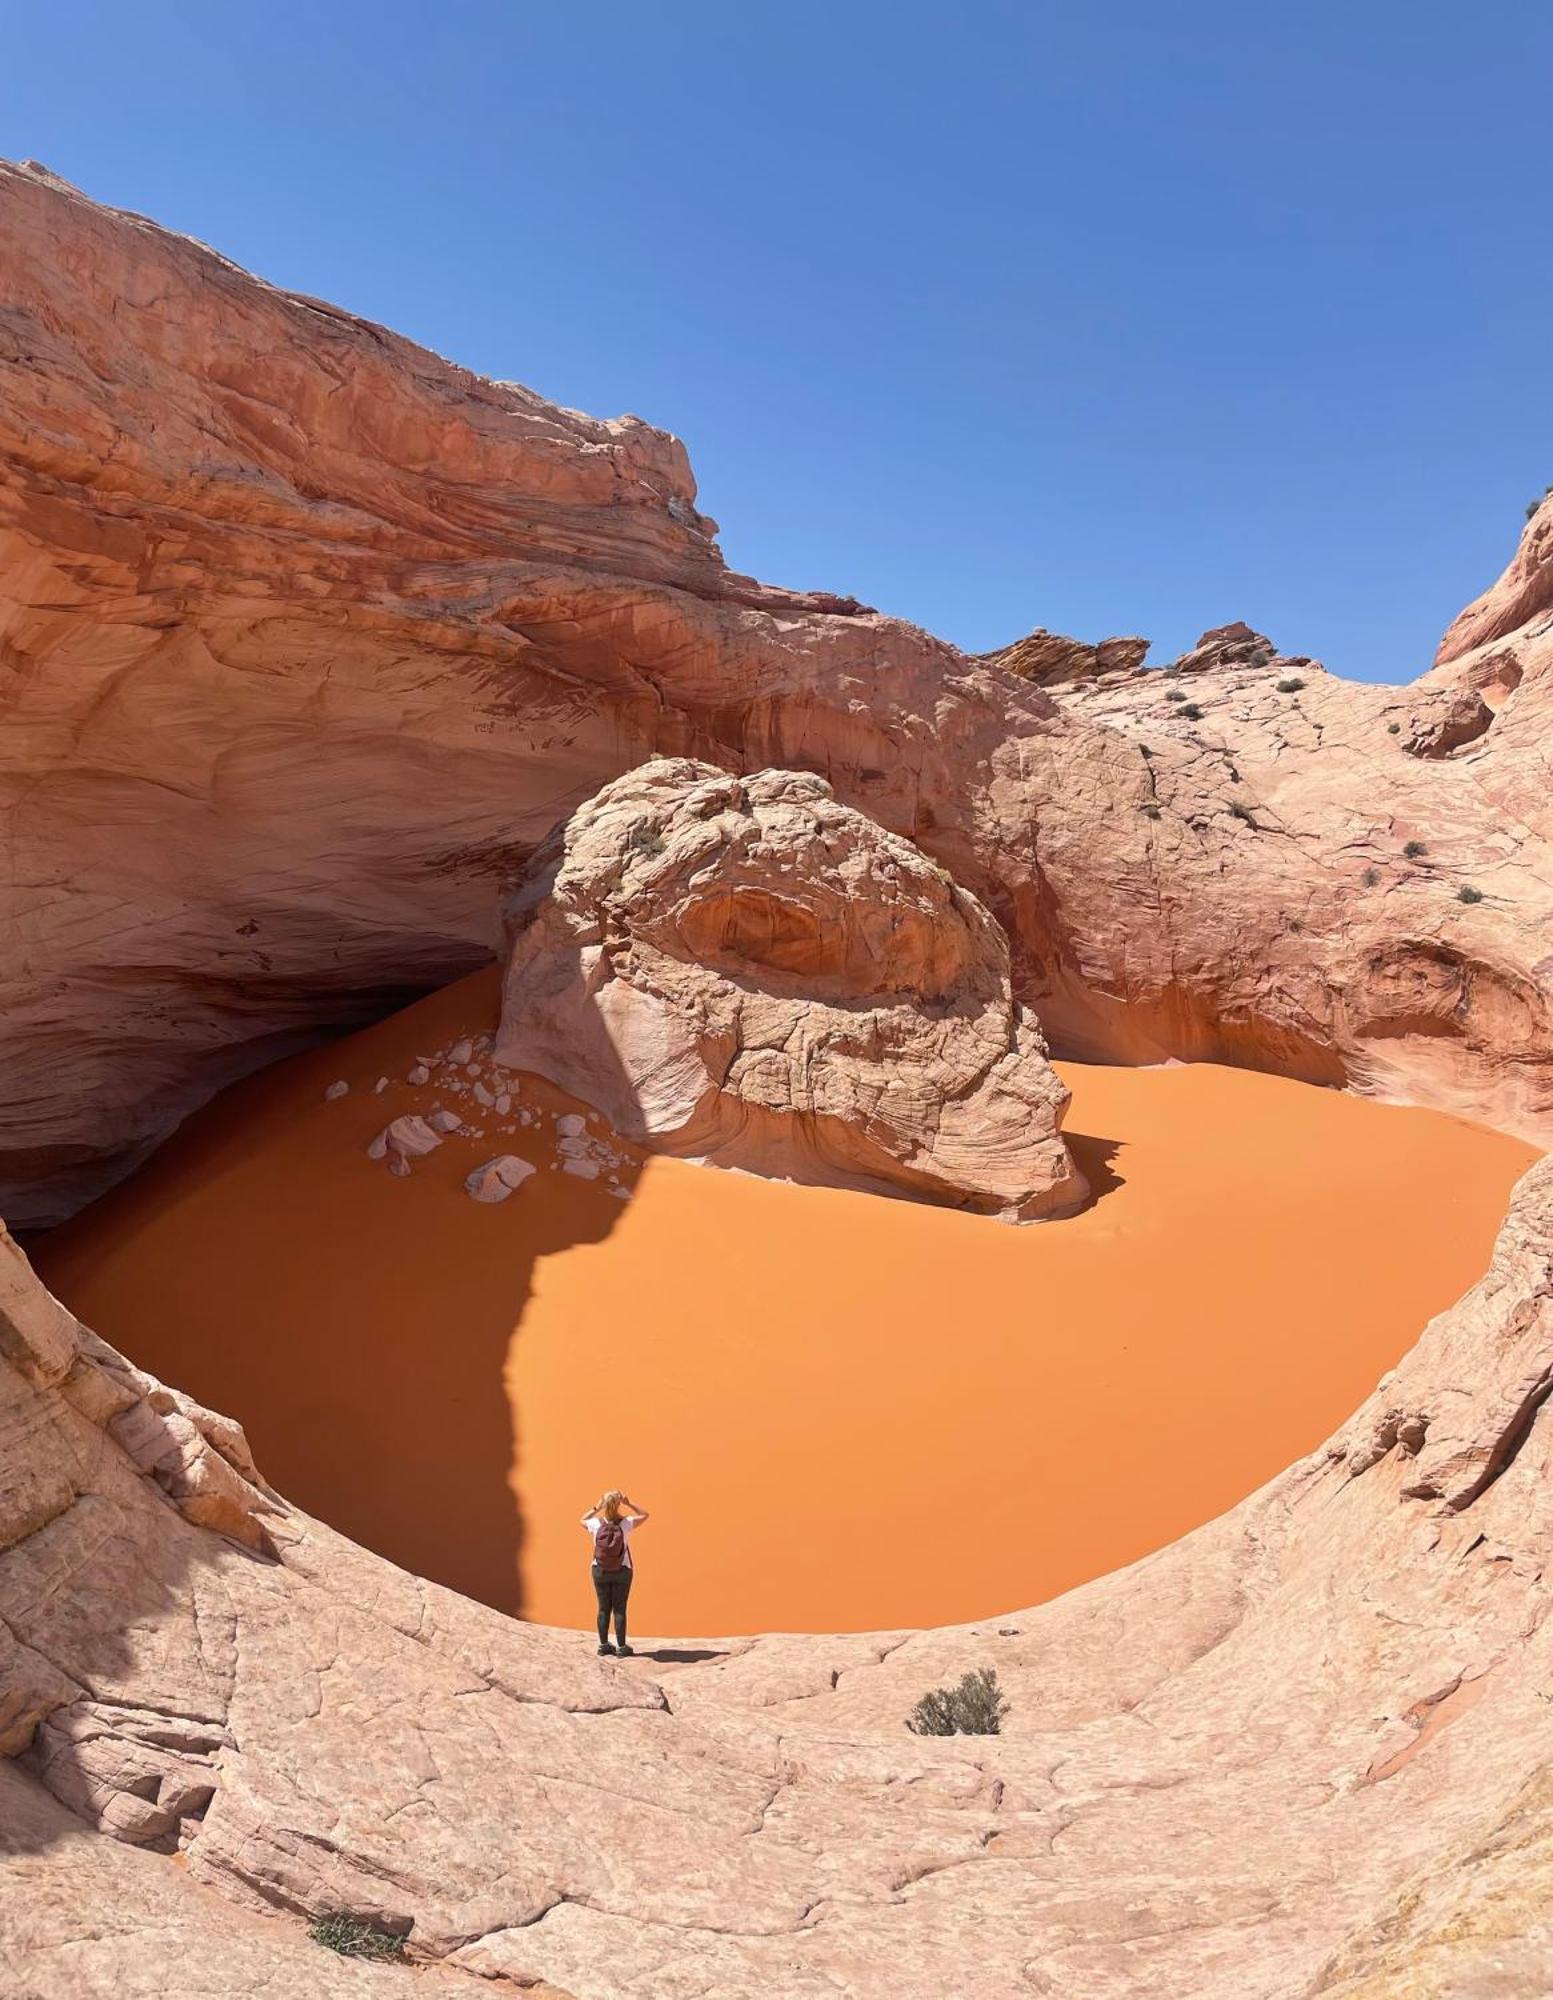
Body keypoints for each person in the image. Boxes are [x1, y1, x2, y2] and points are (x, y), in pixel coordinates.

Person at [581, 1489, 649, 1656]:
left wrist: (597, 1507)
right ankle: (621, 1647)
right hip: (623, 1570)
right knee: (619, 1609)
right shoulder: (626, 1523)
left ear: (604, 1504)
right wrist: (629, 1503)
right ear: (619, 1504)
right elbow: (645, 1515)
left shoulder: (596, 1524)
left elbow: (582, 1519)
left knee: (603, 1608)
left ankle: (604, 1645)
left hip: (600, 1570)